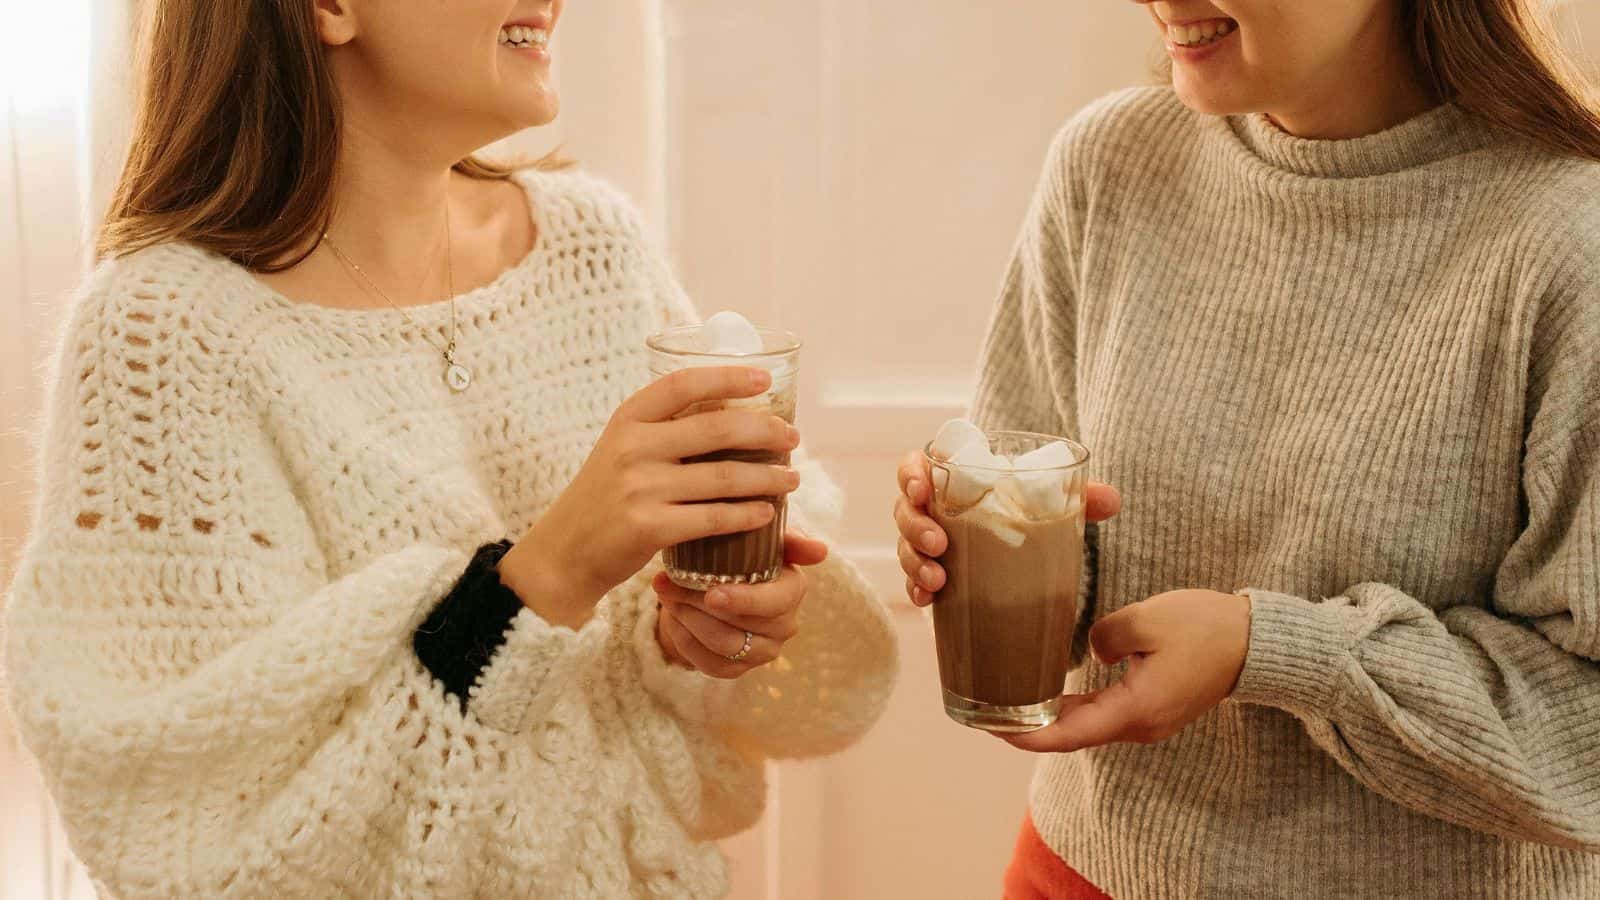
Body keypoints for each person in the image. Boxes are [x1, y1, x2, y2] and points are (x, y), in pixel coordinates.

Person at [3, 1, 896, 896]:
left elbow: (693, 691)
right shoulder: (162, 334)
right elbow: (213, 845)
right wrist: (549, 576)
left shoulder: (594, 247)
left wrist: (701, 636)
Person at [893, 1, 1600, 896]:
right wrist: (970, 541)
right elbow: (1055, 587)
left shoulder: (1571, 241)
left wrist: (1280, 654)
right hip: (1081, 870)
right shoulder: (1110, 162)